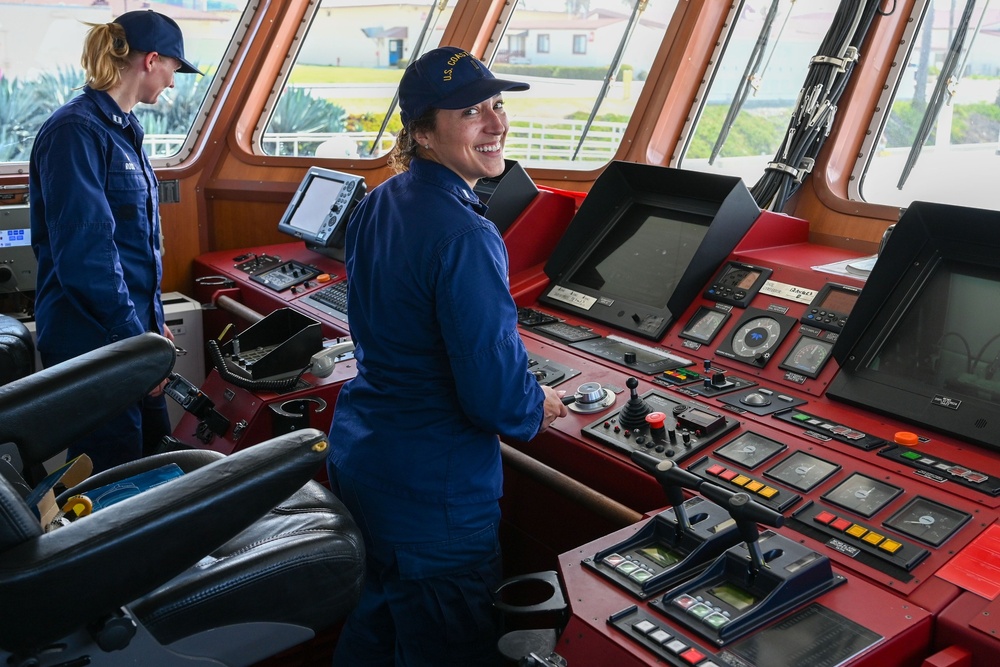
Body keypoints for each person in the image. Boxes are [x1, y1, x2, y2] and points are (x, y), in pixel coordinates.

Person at [327, 46, 569, 666]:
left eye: (497, 105)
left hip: (368, 458)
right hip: (434, 494)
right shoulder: (465, 232)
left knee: (375, 625)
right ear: (423, 133)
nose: (496, 123)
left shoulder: (382, 200)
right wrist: (538, 404)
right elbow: (494, 393)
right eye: (469, 112)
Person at [28, 10, 202, 473]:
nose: (173, 81)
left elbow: (133, 249)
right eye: (174, 69)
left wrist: (152, 323)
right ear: (150, 60)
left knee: (151, 463)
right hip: (92, 343)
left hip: (127, 335)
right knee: (110, 479)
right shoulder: (75, 131)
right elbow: (88, 259)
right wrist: (136, 343)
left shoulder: (123, 130)